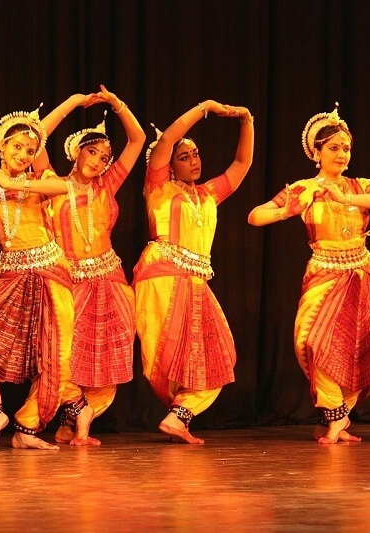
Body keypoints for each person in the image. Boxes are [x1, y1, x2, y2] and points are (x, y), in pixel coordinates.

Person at [247, 103, 370, 444]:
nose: (342, 154)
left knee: (359, 345)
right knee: (310, 342)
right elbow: (255, 216)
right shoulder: (304, 188)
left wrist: (345, 197)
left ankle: (337, 418)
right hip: (324, 271)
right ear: (317, 152)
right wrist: (287, 210)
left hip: (360, 271)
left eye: (346, 148)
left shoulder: (360, 187)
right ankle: (335, 416)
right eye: (333, 148)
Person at [0, 103, 76, 451]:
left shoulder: (40, 181)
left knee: (57, 356)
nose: (24, 154)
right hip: (8, 275)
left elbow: (62, 188)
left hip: (50, 270)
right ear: (1, 147)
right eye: (17, 146)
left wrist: (5, 179)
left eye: (31, 149)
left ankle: (28, 427)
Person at [134, 99, 254, 444]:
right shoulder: (158, 187)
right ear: (168, 165)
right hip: (160, 278)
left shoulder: (208, 194)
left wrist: (246, 120)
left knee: (215, 355)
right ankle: (176, 415)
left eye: (196, 154)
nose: (194, 161)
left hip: (196, 281)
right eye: (183, 157)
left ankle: (178, 416)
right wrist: (203, 109)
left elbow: (242, 163)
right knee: (165, 356)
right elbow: (168, 138)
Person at [44, 86, 146, 446]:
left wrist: (118, 104)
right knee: (66, 354)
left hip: (109, 278)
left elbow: (138, 139)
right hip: (68, 279)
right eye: (93, 151)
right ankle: (76, 412)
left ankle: (77, 423)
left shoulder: (108, 184)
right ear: (76, 151)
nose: (99, 160)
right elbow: (36, 135)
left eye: (104, 156)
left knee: (109, 355)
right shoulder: (52, 182)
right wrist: (72, 103)